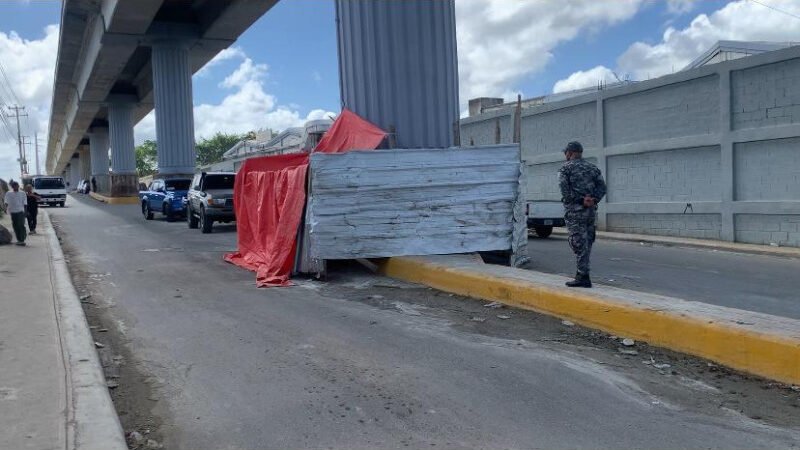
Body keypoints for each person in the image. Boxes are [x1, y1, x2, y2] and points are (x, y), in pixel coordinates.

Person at [558, 141, 606, 288]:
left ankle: (583, 276)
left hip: (575, 213)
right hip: (590, 212)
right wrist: (593, 200)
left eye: (566, 153)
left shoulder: (565, 169)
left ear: (570, 153)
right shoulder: (592, 168)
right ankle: (583, 274)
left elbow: (565, 192)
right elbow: (602, 187)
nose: (565, 155)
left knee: (578, 243)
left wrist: (581, 200)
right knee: (587, 242)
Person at [3, 181, 28, 246]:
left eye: (16, 186)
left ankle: (22, 239)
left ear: (18, 186)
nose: (15, 187)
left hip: (20, 211)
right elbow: (6, 202)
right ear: (12, 187)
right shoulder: (8, 193)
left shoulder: (22, 193)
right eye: (14, 186)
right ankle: (19, 240)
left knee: (21, 225)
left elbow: (25, 203)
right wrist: (5, 208)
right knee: (15, 226)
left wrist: (25, 211)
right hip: (13, 212)